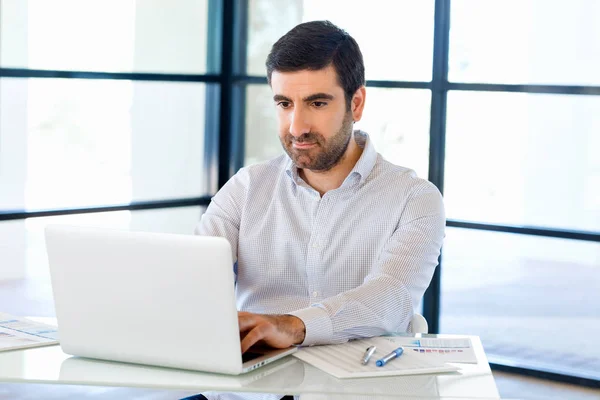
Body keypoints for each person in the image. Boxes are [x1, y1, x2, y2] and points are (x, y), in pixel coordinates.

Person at [194, 20, 445, 357]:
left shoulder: (414, 200)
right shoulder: (246, 188)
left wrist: (293, 325)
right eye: (284, 104)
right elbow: (195, 276)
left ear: (356, 104)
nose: (297, 127)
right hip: (247, 393)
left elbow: (392, 297)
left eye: (317, 103)